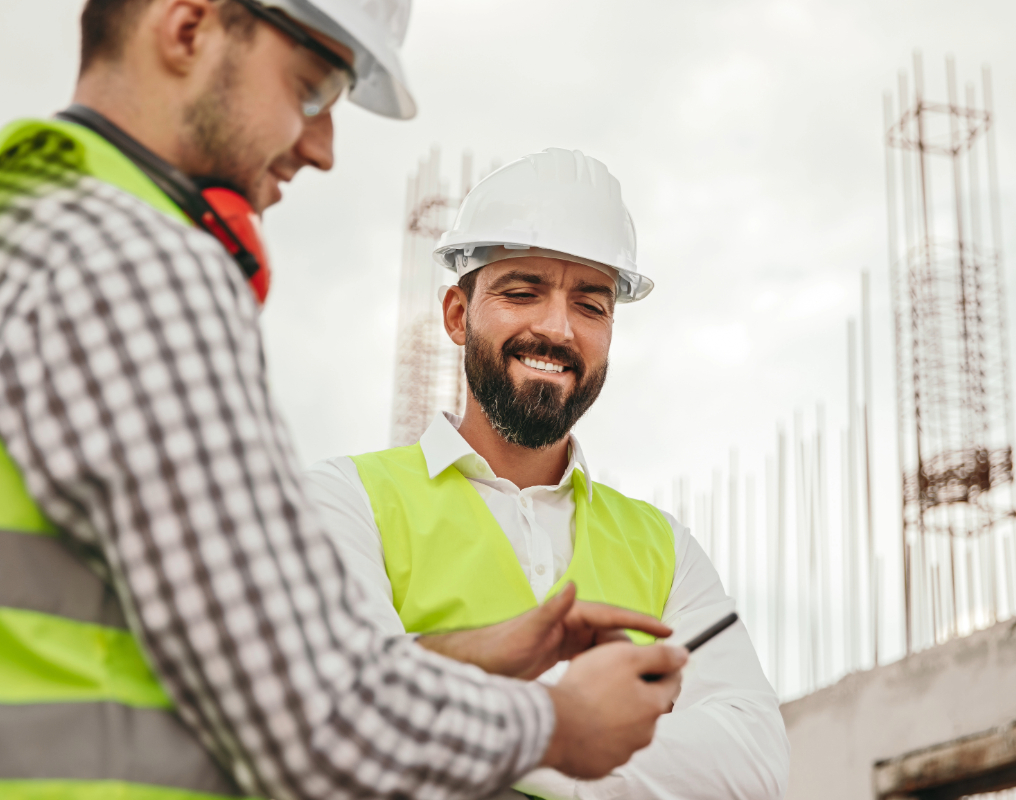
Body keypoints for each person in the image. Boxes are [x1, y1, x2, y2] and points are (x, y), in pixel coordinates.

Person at [0, 2, 689, 799]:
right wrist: (559, 724)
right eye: (310, 89)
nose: (322, 148)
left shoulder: (34, 220)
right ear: (187, 28)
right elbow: (311, 717)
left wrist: (475, 656)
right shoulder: (141, 266)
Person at [305, 148, 791, 799]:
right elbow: (337, 715)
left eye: (591, 305)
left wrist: (456, 717)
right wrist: (579, 724)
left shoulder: (666, 549)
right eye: (522, 291)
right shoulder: (343, 502)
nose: (557, 329)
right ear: (457, 315)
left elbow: (752, 766)